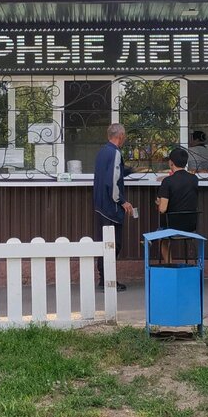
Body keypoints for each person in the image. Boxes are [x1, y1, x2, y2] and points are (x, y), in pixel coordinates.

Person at [93, 122, 134, 291]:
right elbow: (112, 182)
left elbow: (109, 173)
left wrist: (129, 170)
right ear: (121, 136)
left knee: (105, 243)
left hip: (100, 204)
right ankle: (107, 280)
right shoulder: (115, 152)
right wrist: (122, 201)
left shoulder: (103, 151)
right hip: (112, 207)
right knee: (114, 244)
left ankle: (103, 278)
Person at [156, 147, 200, 262]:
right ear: (185, 163)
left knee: (162, 240)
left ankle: (169, 264)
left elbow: (162, 209)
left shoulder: (167, 181)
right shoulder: (194, 179)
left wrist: (159, 202)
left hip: (171, 226)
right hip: (190, 225)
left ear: (171, 163)